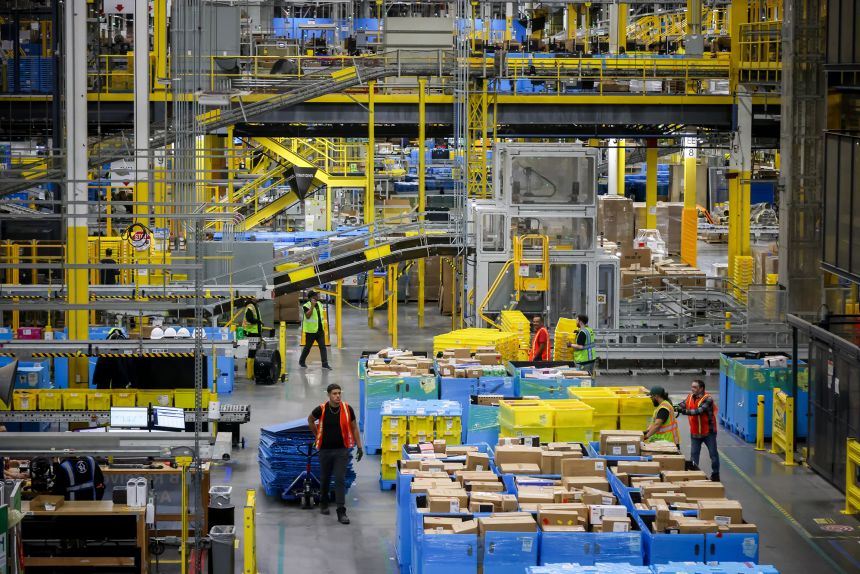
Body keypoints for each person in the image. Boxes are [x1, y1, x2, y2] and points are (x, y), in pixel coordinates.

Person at [308, 384, 363, 524]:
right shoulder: (321, 409)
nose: (337, 396)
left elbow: (354, 428)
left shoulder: (347, 409)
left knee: (339, 478)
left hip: (341, 450)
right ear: (328, 395)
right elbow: (310, 420)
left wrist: (359, 446)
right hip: (325, 450)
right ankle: (323, 502)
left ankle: (341, 511)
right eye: (334, 393)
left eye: (339, 393)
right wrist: (317, 435)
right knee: (325, 478)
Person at [675, 379, 720, 481]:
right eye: (692, 387)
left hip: (708, 432)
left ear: (701, 388)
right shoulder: (690, 397)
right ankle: (694, 475)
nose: (692, 389)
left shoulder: (708, 399)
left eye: (695, 387)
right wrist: (674, 407)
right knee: (694, 455)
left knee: (713, 454)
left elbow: (698, 411)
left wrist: (683, 411)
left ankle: (716, 474)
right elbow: (683, 404)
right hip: (695, 432)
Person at [299, 291, 331, 370]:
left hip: (320, 330)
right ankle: (301, 361)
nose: (318, 296)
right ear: (312, 297)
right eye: (317, 295)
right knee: (307, 347)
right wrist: (312, 306)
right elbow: (308, 316)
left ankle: (325, 363)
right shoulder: (306, 305)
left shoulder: (319, 304)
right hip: (311, 332)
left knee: (322, 347)